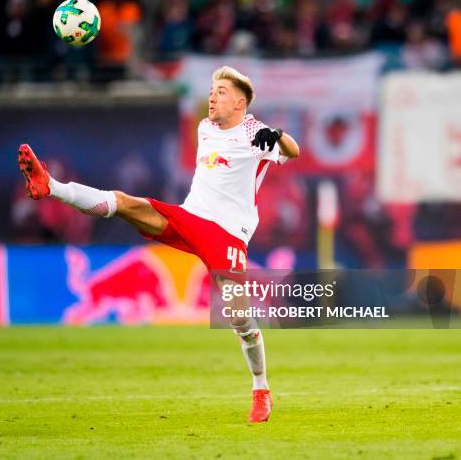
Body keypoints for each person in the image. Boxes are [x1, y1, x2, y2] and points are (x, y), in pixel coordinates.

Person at [16, 66, 300, 423]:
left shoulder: (253, 130)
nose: (212, 96)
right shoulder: (206, 128)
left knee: (239, 316)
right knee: (124, 203)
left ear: (240, 102)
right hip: (189, 217)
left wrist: (276, 135)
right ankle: (50, 186)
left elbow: (293, 150)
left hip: (226, 233)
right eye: (212, 90)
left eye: (222, 92)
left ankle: (261, 388)